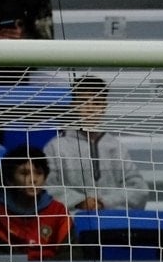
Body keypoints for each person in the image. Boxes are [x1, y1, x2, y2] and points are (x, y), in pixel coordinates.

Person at [43, 76, 149, 213]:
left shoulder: (116, 147)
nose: (90, 109)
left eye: (96, 103)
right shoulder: (55, 147)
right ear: (73, 105)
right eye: (84, 102)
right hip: (72, 220)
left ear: (104, 107)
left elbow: (139, 189)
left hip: (112, 218)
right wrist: (80, 201)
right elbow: (46, 187)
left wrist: (104, 202)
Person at [0, 145, 72, 260]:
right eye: (24, 173)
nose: (33, 179)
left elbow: (73, 255)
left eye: (39, 173)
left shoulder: (58, 213)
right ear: (10, 180)